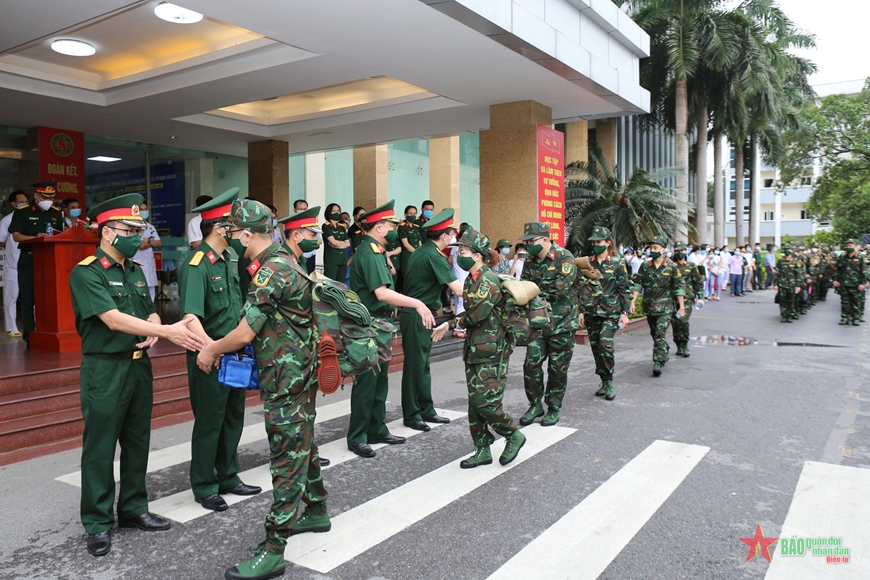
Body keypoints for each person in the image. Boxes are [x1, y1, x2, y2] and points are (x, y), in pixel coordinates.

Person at [196, 199, 331, 580]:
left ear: (244, 234)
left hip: (287, 380)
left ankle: (274, 548)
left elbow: (243, 333)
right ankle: (317, 509)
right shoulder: (287, 262)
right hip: (297, 374)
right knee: (302, 442)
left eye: (235, 232)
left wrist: (210, 349)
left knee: (287, 458)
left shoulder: (271, 271)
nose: (234, 238)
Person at [69, 193, 205, 557]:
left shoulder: (133, 270)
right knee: (100, 447)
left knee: (137, 441)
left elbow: (149, 311)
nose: (136, 235)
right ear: (107, 233)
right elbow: (111, 319)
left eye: (139, 229)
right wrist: (167, 332)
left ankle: (133, 509)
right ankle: (97, 523)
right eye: (128, 229)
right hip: (104, 367)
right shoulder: (87, 271)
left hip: (137, 366)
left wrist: (155, 324)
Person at [178, 187, 262, 513]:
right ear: (220, 227)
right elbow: (190, 318)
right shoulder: (196, 265)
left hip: (236, 353)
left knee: (232, 417)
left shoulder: (228, 259)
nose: (242, 232)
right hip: (210, 356)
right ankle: (204, 484)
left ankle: (228, 475)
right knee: (209, 422)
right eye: (237, 226)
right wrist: (210, 350)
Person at [347, 200, 432, 457]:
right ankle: (358, 436)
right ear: (380, 228)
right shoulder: (369, 252)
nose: (396, 229)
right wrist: (416, 303)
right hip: (369, 323)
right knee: (367, 382)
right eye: (392, 225)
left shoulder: (377, 251)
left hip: (380, 323)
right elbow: (381, 293)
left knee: (379, 380)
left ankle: (376, 427)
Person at [435, 229, 525, 468]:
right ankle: (482, 449)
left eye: (462, 252)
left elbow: (477, 314)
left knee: (485, 402)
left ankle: (513, 434)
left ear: (477, 256)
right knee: (474, 404)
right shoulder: (471, 279)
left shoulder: (486, 280)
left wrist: (451, 323)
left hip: (492, 350)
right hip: (476, 349)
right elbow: (473, 312)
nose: (458, 256)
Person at [401, 209, 464, 430]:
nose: (454, 237)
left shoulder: (421, 252)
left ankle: (425, 409)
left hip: (420, 313)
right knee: (415, 366)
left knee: (421, 365)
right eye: (452, 233)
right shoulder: (434, 256)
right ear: (444, 235)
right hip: (419, 314)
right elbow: (458, 289)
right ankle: (412, 414)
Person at [518, 222, 578, 426]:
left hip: (562, 323)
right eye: (526, 242)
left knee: (557, 368)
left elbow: (559, 289)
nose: (527, 245)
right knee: (531, 364)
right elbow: (524, 287)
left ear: (545, 240)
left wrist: (533, 291)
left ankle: (553, 407)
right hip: (538, 323)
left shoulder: (564, 257)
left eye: (531, 241)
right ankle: (535, 404)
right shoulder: (530, 261)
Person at [9, 181, 64, 344]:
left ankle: (49, 331)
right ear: (36, 196)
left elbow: (60, 235)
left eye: (52, 197)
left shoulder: (56, 212)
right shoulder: (23, 212)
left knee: (50, 297)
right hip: (29, 258)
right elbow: (16, 235)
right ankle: (29, 335)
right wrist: (36, 238)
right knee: (28, 298)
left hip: (50, 260)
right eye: (45, 197)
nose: (49, 200)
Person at [580, 227, 630, 401]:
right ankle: (603, 380)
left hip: (610, 312)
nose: (595, 244)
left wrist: (624, 312)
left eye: (599, 242)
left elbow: (624, 289)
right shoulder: (586, 263)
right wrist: (580, 311)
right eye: (593, 242)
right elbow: (581, 288)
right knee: (596, 349)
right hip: (591, 311)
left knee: (605, 345)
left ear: (608, 243)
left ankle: (609, 381)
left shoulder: (617, 263)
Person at [630, 236, 685, 377]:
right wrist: (632, 302)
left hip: (665, 308)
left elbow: (678, 287)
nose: (652, 250)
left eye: (655, 248)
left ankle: (658, 362)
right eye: (651, 248)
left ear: (663, 249)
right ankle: (664, 348)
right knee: (655, 334)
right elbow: (638, 284)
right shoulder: (645, 266)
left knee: (660, 333)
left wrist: (682, 307)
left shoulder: (671, 266)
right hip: (649, 306)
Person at [0, 191, 27, 337]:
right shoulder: (7, 220)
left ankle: (34, 325)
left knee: (32, 297)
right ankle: (12, 328)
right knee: (11, 297)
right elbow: (0, 239)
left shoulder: (30, 217)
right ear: (14, 204)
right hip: (13, 265)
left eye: (26, 201)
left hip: (28, 262)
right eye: (21, 201)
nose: (25, 204)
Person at [671, 242, 704, 358]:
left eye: (682, 251)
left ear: (686, 251)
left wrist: (700, 297)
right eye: (677, 251)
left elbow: (698, 282)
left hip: (687, 299)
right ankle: (678, 344)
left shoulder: (691, 266)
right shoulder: (670, 266)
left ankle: (684, 345)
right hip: (672, 300)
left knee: (683, 323)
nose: (679, 253)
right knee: (675, 324)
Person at [834, 239, 868, 326]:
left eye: (851, 246)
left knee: (856, 302)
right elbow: (837, 269)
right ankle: (845, 318)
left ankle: (856, 318)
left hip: (856, 285)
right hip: (844, 283)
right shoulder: (842, 257)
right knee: (845, 302)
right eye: (847, 246)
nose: (848, 247)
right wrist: (836, 279)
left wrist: (862, 283)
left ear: (855, 247)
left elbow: (864, 272)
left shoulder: (860, 257)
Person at [132, 201, 162, 302]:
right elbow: (140, 245)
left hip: (149, 261)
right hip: (138, 261)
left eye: (146, 209)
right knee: (140, 287)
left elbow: (158, 243)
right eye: (141, 209)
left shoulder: (150, 227)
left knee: (151, 288)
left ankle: (151, 310)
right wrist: (151, 242)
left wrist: (148, 240)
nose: (144, 211)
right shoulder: (133, 227)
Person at [775, 244, 804, 323]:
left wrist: (798, 285)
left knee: (791, 300)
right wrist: (775, 284)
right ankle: (784, 315)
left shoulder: (795, 262)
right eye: (786, 249)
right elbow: (777, 272)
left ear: (792, 251)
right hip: (782, 284)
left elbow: (799, 274)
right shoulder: (781, 261)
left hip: (792, 284)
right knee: (783, 300)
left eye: (789, 249)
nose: (787, 251)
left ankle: (790, 315)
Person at [396, 205, 422, 292]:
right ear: (405, 214)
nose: (413, 215)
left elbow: (419, 242)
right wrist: (417, 253)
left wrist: (421, 252)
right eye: (410, 213)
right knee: (407, 280)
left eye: (414, 213)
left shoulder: (416, 227)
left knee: (416, 279)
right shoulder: (402, 227)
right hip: (407, 258)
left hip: (417, 257)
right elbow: (406, 244)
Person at [322, 203, 350, 281]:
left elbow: (348, 244)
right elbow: (333, 242)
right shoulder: (326, 226)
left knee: (340, 284)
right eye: (334, 211)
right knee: (331, 284)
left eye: (338, 211)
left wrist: (338, 245)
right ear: (329, 213)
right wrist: (341, 243)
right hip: (331, 260)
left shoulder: (341, 227)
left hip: (342, 260)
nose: (337, 213)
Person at [293, 199, 320, 273]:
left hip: (310, 258)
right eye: (300, 209)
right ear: (295, 210)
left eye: (305, 209)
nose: (303, 211)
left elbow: (319, 241)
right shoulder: (290, 224)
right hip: (296, 258)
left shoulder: (313, 223)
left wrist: (311, 245)